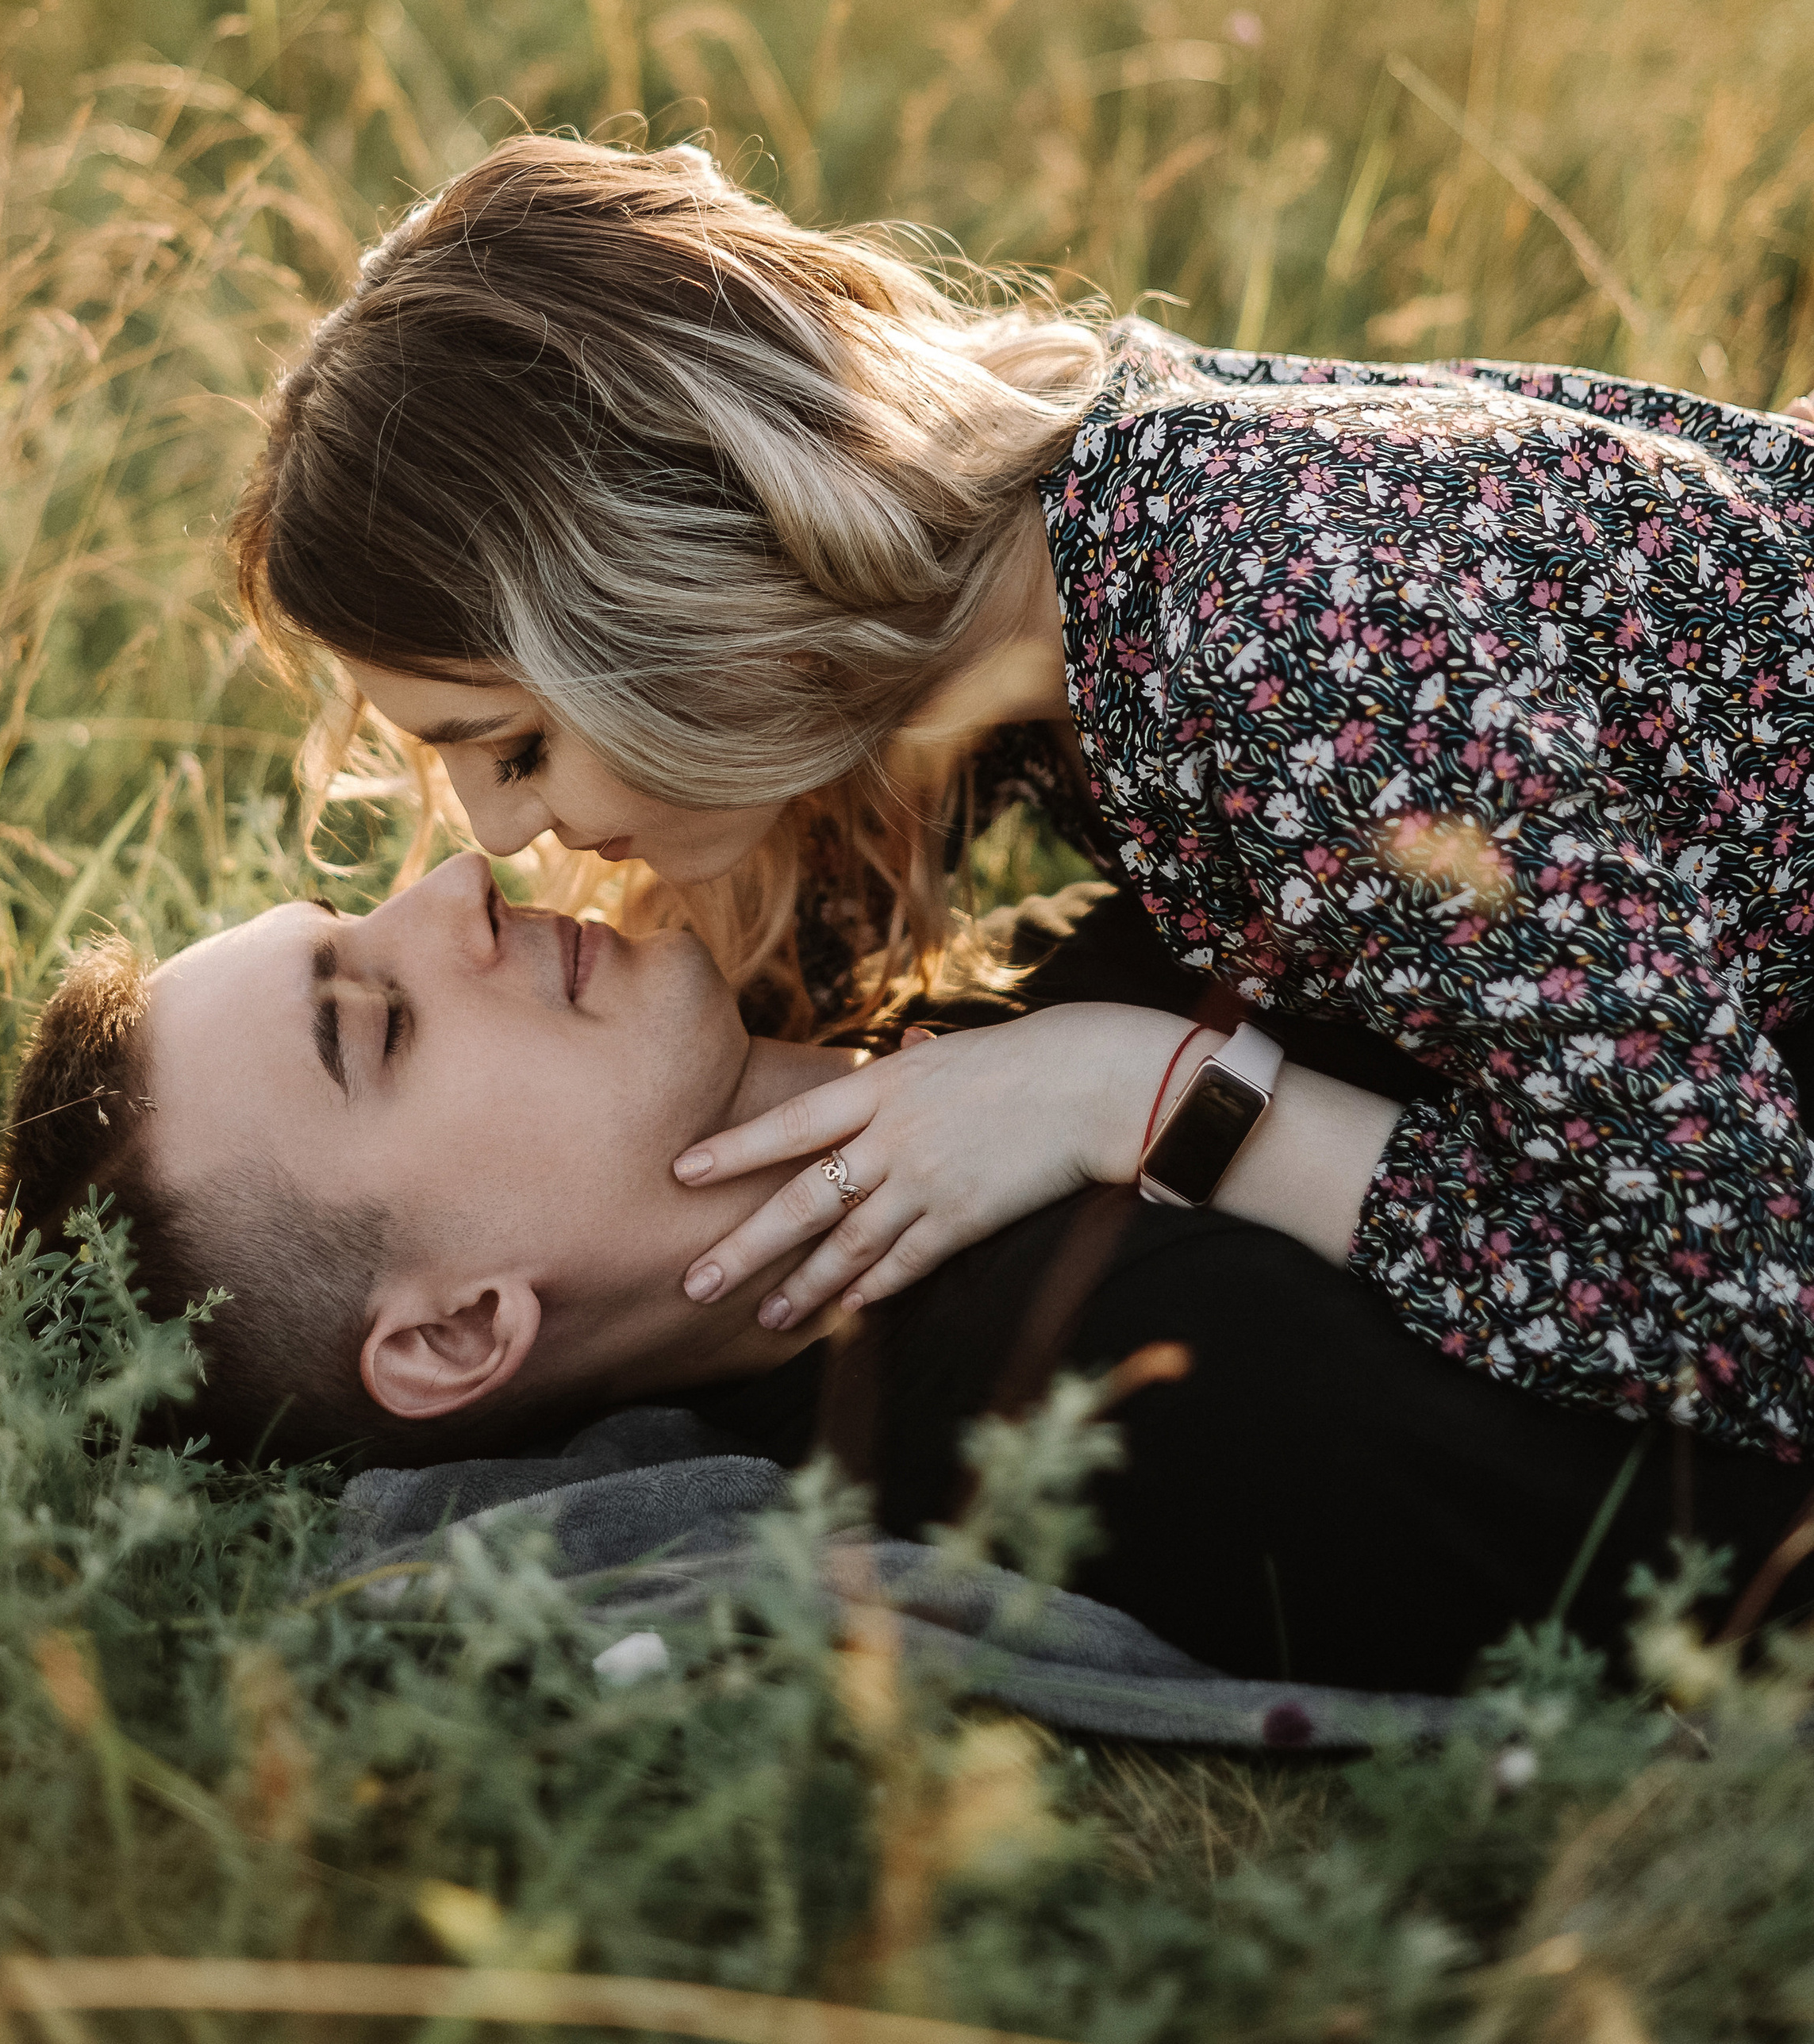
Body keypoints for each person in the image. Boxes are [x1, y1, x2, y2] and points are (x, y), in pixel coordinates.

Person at [225, 135, 1814, 1461]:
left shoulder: (1281, 641)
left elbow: (1748, 1306)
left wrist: (1144, 1093)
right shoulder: (1039, 555)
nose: (498, 842)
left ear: (682, 606)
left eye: (512, 748)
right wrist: (96, 1242)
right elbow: (764, 1018)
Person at [0, 856, 1812, 1700]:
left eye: (370, 908)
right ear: (456, 1332)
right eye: (379, 1019)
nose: (455, 892)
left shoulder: (911, 1045)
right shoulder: (1096, 1377)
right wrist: (1174, 1106)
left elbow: (229, 1241)